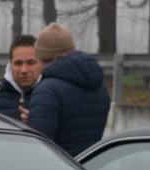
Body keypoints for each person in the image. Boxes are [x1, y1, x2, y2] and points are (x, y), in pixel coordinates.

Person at [23, 22, 110, 157]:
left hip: (61, 167)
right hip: (90, 165)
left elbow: (39, 146)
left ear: (45, 57)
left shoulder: (47, 90)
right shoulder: (99, 86)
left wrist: (31, 122)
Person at [0, 35, 40, 122]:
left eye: (31, 63)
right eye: (18, 63)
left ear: (41, 62)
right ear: (10, 64)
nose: (24, 70)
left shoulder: (51, 95)